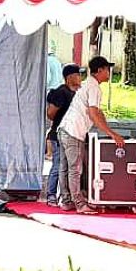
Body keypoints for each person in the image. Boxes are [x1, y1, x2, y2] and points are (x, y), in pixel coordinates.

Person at [57, 55, 124, 215]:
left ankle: (67, 201)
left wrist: (109, 129)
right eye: (107, 69)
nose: (109, 72)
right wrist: (112, 134)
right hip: (73, 131)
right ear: (100, 70)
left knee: (65, 168)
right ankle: (79, 204)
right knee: (75, 169)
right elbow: (93, 114)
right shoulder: (94, 87)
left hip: (65, 129)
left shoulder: (87, 84)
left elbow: (96, 112)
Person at [45, 63, 81, 206]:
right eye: (77, 74)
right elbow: (50, 114)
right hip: (58, 135)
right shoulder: (61, 92)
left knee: (68, 167)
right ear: (69, 77)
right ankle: (51, 194)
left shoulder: (78, 93)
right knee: (58, 165)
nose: (80, 77)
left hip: (72, 135)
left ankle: (65, 195)